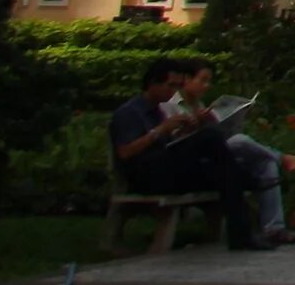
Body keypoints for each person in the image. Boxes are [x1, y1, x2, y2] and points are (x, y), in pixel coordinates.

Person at [109, 59, 272, 252]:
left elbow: (169, 143)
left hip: (168, 169)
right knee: (212, 140)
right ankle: (248, 194)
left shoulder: (158, 110)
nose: (173, 91)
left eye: (177, 86)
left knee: (226, 173)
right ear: (153, 83)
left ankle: (242, 232)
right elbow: (125, 152)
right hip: (145, 174)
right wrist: (160, 130)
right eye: (170, 86)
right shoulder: (130, 112)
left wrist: (187, 130)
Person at [170, 60, 295, 245]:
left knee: (265, 163)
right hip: (194, 165)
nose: (206, 86)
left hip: (218, 159)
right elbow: (173, 145)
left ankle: (274, 229)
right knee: (240, 141)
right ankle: (282, 158)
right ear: (187, 79)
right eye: (202, 80)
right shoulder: (171, 105)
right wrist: (194, 125)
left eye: (209, 81)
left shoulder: (201, 105)